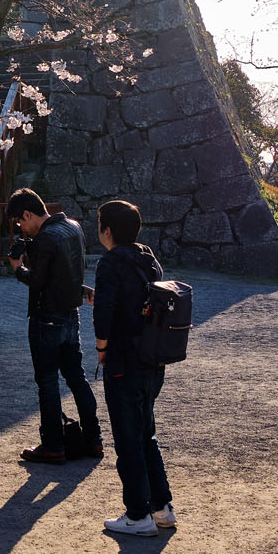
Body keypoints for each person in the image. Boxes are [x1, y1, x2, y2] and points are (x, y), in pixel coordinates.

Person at [88, 199, 175, 536]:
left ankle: (137, 514)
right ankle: (161, 506)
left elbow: (105, 313)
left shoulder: (110, 262)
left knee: (128, 439)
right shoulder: (147, 258)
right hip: (152, 358)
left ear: (106, 230)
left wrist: (101, 349)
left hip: (123, 359)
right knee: (145, 434)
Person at [4, 187, 105, 465]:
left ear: (27, 213)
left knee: (47, 382)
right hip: (71, 316)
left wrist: (17, 267)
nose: (22, 228)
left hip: (45, 318)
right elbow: (66, 272)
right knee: (76, 377)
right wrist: (83, 288)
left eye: (20, 222)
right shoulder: (72, 227)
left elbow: (37, 281)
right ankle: (94, 439)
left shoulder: (46, 237)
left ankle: (53, 445)